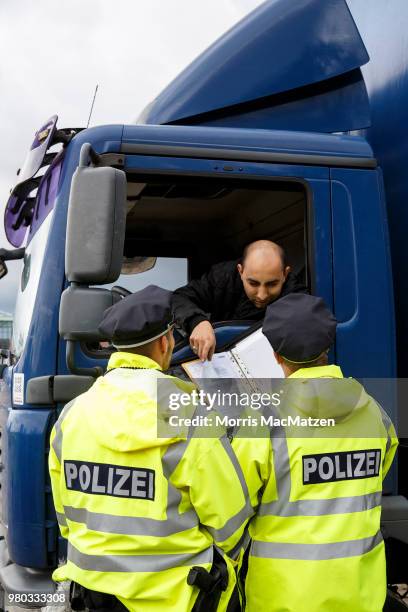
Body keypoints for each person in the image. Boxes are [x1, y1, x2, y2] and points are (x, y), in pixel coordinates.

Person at [49, 286, 252, 612]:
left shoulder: (72, 415)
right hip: (176, 597)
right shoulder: (191, 415)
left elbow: (66, 518)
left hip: (93, 592)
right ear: (165, 342)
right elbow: (232, 526)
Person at [232, 293, 398, 612]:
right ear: (327, 348)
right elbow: (380, 469)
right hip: (360, 595)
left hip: (282, 599)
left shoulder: (265, 419)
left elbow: (230, 510)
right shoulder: (374, 412)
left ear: (275, 354)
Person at [172, 240, 306, 362]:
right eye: (253, 283)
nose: (262, 295)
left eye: (272, 284)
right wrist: (197, 322)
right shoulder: (222, 278)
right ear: (240, 271)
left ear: (285, 274)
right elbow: (180, 297)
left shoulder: (297, 298)